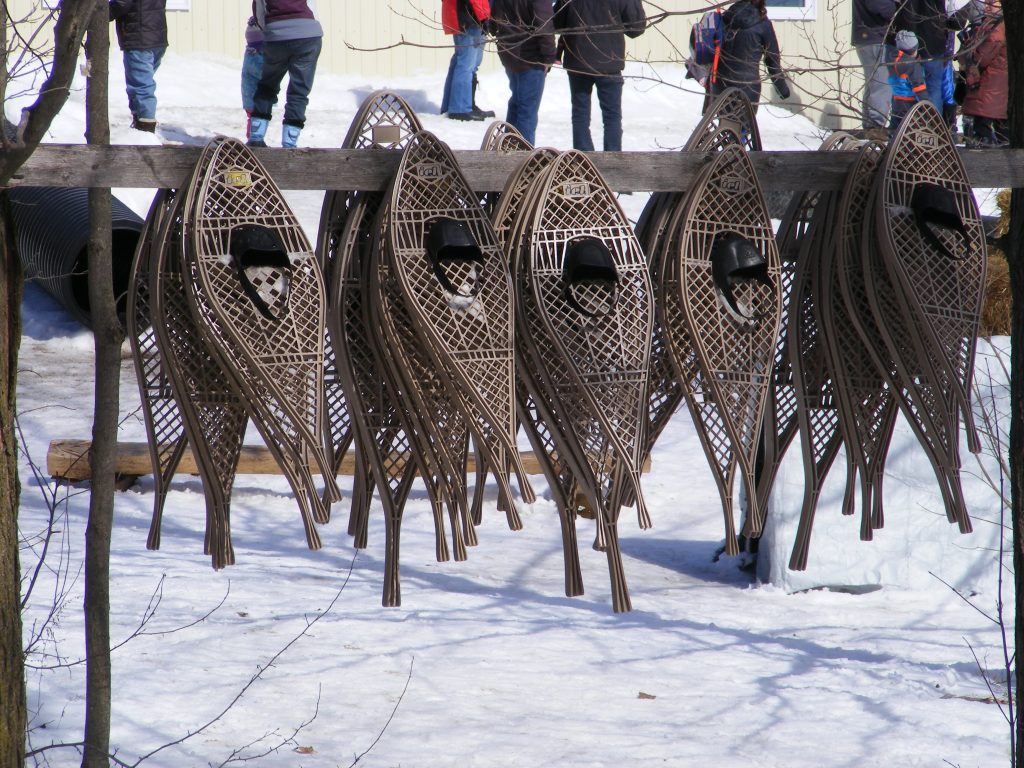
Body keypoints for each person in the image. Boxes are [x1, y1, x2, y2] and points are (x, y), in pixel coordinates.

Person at [553, 0, 647, 152]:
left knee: (580, 114)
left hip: (578, 60)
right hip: (609, 60)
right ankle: (612, 159)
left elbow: (557, 23)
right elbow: (637, 27)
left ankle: (583, 160)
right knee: (612, 116)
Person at [248, 0, 323, 149]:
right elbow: (312, 8)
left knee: (267, 86)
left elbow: (259, 13)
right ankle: (290, 143)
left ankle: (256, 137)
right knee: (299, 91)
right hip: (308, 34)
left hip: (276, 36)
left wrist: (270, 31)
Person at [490, 0, 558, 145]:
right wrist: (549, 57)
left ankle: (507, 148)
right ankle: (523, 155)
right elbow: (544, 27)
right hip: (530, 58)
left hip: (509, 52)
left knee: (517, 103)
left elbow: (493, 20)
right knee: (526, 110)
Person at [711, 0, 790, 112]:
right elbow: (772, 62)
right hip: (748, 87)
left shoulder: (725, 18)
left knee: (725, 124)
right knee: (744, 126)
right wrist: (783, 90)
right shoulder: (763, 24)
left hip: (721, 82)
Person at [109, 0, 168, 133]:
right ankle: (139, 123)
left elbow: (121, 3)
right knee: (141, 85)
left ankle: (145, 130)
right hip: (157, 38)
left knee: (141, 87)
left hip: (139, 38)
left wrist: (100, 14)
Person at [956, 0, 1006, 147]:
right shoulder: (989, 24)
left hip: (990, 83)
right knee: (995, 125)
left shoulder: (996, 27)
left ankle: (987, 157)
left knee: (982, 125)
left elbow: (982, 58)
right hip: (992, 84)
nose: (987, 6)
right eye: (987, 3)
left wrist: (970, 56)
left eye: (992, 3)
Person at [441, 0, 494, 121]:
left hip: (464, 14)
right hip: (469, 16)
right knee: (466, 63)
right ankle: (460, 108)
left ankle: (455, 105)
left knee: (464, 61)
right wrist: (484, 16)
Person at [851, 0, 897, 139]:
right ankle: (876, 127)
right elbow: (881, 7)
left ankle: (870, 125)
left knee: (874, 83)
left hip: (869, 37)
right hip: (875, 37)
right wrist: (900, 6)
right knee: (882, 84)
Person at [896, 0, 948, 111]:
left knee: (909, 86)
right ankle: (933, 122)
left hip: (918, 45)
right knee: (933, 87)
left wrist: (912, 48)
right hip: (934, 43)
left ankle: (913, 120)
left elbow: (909, 15)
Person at [887, 30, 928, 134]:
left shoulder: (892, 60)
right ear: (915, 49)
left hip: (896, 102)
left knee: (896, 131)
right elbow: (919, 88)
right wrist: (927, 105)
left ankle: (892, 146)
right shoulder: (913, 65)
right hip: (909, 104)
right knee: (910, 132)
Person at [241, 16, 265, 140]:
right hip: (252, 98)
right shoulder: (255, 57)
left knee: (253, 119)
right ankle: (253, 139)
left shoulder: (251, 53)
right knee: (254, 119)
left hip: (251, 96)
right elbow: (261, 72)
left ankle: (253, 138)